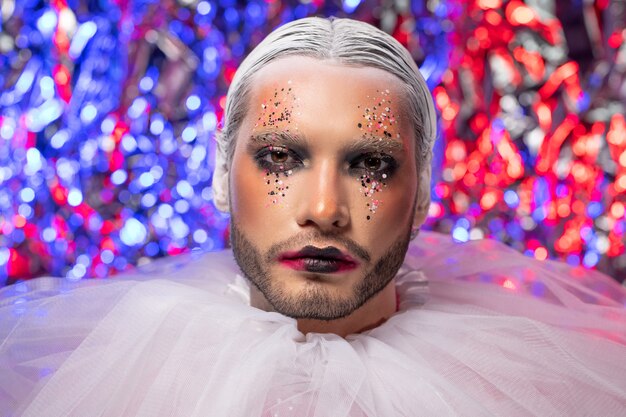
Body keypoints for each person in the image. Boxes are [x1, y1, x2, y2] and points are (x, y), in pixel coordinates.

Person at [1, 17, 625, 417]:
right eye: (280, 157)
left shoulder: (523, 396)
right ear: (223, 175)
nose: (324, 210)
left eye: (371, 166)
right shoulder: (119, 386)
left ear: (425, 189)